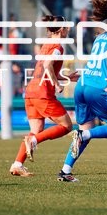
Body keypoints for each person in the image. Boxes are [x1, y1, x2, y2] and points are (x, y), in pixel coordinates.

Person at [58, 0, 107, 183]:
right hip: (98, 87)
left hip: (83, 85)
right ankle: (82, 135)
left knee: (86, 128)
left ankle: (65, 170)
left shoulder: (101, 37)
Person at [9, 15, 79, 177]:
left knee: (36, 130)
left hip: (31, 92)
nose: (68, 29)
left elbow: (46, 69)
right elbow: (47, 65)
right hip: (43, 94)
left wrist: (67, 77)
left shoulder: (46, 45)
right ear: (62, 29)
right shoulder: (58, 46)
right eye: (67, 27)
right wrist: (57, 84)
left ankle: (17, 164)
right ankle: (32, 141)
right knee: (67, 126)